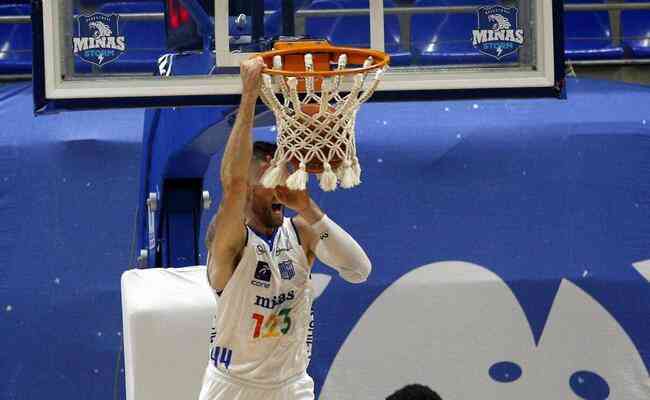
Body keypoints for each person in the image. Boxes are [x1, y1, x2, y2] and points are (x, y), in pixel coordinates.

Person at [198, 57, 372, 400]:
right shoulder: (231, 238)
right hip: (234, 388)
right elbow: (233, 183)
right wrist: (249, 95)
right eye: (270, 174)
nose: (283, 183)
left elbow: (359, 270)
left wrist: (308, 206)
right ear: (249, 186)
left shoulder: (301, 232)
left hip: (292, 386)